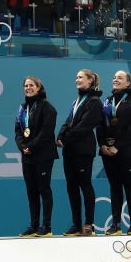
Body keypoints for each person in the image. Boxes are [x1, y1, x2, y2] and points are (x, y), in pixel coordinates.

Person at [56, 70, 103, 236]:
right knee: (72, 187)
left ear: (90, 81)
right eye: (76, 77)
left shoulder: (95, 102)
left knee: (85, 185)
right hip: (69, 151)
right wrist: (60, 136)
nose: (77, 79)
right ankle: (76, 224)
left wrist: (66, 138)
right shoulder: (76, 101)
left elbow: (84, 126)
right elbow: (68, 121)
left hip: (83, 150)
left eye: (80, 77)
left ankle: (89, 224)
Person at [97, 71, 131, 235]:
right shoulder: (107, 101)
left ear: (128, 83)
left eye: (120, 78)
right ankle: (116, 224)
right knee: (115, 187)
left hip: (127, 152)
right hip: (108, 152)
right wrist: (102, 145)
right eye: (114, 77)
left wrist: (119, 146)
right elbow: (100, 124)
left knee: (129, 186)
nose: (115, 79)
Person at [15, 76, 58, 237]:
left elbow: (46, 132)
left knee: (43, 190)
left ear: (39, 88)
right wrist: (22, 146)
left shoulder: (47, 108)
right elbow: (18, 131)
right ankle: (34, 226)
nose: (28, 88)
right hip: (27, 155)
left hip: (43, 154)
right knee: (31, 191)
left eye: (31, 85)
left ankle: (46, 226)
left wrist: (31, 146)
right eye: (25, 85)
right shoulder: (22, 108)